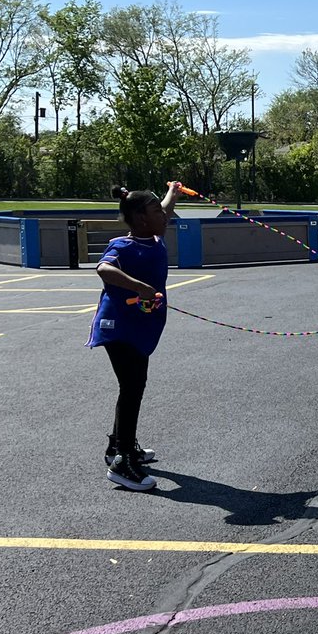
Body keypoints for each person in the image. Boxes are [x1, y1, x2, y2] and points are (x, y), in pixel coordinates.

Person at [87, 181, 184, 491]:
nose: (166, 215)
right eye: (156, 211)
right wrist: (139, 286)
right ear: (141, 218)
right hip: (118, 327)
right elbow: (104, 270)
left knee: (132, 386)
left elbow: (165, 210)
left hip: (138, 328)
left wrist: (173, 192)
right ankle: (122, 462)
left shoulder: (154, 238)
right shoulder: (122, 246)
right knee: (132, 386)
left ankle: (119, 445)